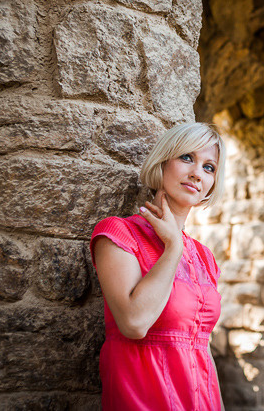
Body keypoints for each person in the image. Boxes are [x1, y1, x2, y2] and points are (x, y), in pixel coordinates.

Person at [90, 122, 226, 410]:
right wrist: (173, 247)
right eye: (187, 158)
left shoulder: (204, 257)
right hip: (144, 400)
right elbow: (134, 323)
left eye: (209, 167)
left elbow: (203, 347)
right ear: (163, 163)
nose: (196, 174)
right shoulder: (118, 234)